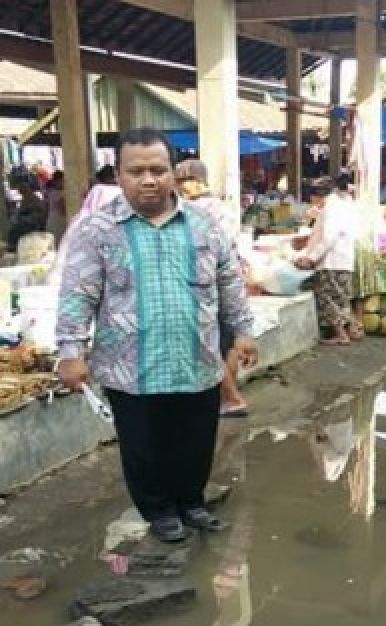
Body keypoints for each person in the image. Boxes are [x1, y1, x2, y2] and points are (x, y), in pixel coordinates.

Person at [55, 128, 258, 544]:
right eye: (136, 171)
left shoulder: (204, 225)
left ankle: (191, 502)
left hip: (196, 358)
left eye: (158, 170)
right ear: (119, 174)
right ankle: (159, 510)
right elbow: (77, 293)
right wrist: (71, 351)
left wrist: (242, 331)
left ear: (173, 173)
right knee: (143, 446)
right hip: (130, 365)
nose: (149, 180)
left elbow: (229, 282)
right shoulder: (96, 230)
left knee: (196, 439)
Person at [175, 158, 251, 418]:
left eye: (185, 182)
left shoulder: (193, 211)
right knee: (224, 342)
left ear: (198, 181)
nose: (182, 188)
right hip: (226, 279)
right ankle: (227, 395)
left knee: (207, 343)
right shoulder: (223, 207)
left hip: (208, 283)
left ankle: (231, 397)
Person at [296, 175, 359, 344]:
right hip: (344, 259)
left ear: (317, 195)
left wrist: (311, 258)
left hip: (331, 261)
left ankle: (340, 334)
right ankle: (352, 329)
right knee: (341, 297)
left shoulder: (331, 209)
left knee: (328, 297)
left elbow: (328, 237)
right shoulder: (341, 206)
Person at [7, 181, 48, 249]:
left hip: (34, 222)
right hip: (27, 221)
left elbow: (39, 211)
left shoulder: (34, 198)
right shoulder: (25, 199)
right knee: (13, 229)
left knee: (16, 230)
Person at [44, 170, 68, 247]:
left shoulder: (51, 191)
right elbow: (62, 210)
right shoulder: (59, 194)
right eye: (62, 180)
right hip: (58, 221)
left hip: (52, 220)